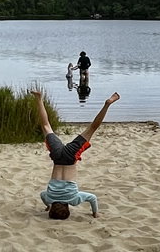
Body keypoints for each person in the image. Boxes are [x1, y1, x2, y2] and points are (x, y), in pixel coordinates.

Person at [30, 89, 118, 219]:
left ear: (68, 207)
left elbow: (92, 198)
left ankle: (107, 104)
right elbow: (42, 195)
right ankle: (39, 98)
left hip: (71, 157)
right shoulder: (49, 197)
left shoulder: (74, 199)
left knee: (92, 128)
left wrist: (95, 213)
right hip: (57, 157)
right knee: (46, 126)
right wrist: (48, 205)